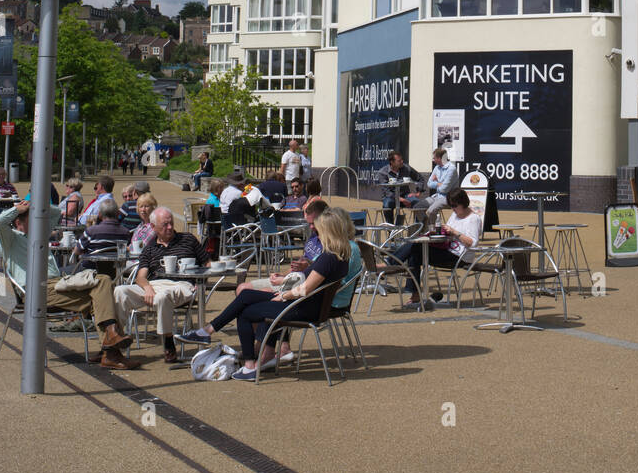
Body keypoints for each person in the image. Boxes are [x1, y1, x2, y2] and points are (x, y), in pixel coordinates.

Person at [179, 208, 351, 380]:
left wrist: (283, 295)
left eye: (320, 228)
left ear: (328, 231)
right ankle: (207, 331)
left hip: (301, 308)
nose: (317, 232)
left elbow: (305, 289)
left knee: (245, 313)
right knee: (246, 295)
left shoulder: (328, 258)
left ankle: (249, 366)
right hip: (306, 305)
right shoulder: (340, 257)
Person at [0, 200, 135, 369]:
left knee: (103, 282)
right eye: (33, 219)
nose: (38, 222)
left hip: (58, 283)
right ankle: (111, 350)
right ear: (18, 222)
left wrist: (37, 204)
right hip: (35, 290)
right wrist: (18, 208)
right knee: (101, 292)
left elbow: (56, 214)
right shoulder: (10, 239)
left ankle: (110, 342)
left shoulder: (37, 235)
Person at [113, 207, 208, 363]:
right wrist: (148, 287)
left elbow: (208, 263)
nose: (170, 227)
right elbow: (141, 277)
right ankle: (116, 338)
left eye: (171, 223)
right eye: (165, 224)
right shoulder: (150, 248)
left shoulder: (188, 239)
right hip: (155, 284)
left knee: (163, 297)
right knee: (120, 290)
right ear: (153, 227)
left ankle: (168, 342)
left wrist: (202, 281)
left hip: (182, 285)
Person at [385, 190, 481, 304]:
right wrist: (440, 231)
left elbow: (472, 243)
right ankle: (414, 293)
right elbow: (448, 233)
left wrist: (455, 232)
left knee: (415, 248)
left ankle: (389, 264)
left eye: (455, 206)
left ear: (463, 203)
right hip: (447, 250)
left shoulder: (473, 219)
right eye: (450, 206)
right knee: (415, 253)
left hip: (460, 257)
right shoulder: (455, 215)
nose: (452, 209)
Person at [415, 148, 459, 226]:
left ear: (440, 158)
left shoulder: (451, 169)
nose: (433, 160)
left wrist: (436, 183)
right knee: (417, 207)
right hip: (437, 196)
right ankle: (424, 227)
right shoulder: (437, 167)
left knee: (431, 211)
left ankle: (432, 231)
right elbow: (429, 184)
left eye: (434, 158)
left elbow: (444, 189)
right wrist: (439, 184)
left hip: (448, 198)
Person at [382, 152, 420, 224]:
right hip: (391, 197)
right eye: (399, 161)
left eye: (402, 160)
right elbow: (386, 192)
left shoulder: (406, 168)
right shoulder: (383, 172)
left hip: (406, 195)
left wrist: (418, 192)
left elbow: (420, 178)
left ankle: (416, 229)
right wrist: (401, 199)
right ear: (392, 162)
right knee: (387, 205)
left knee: (418, 204)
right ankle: (391, 231)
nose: (402, 162)